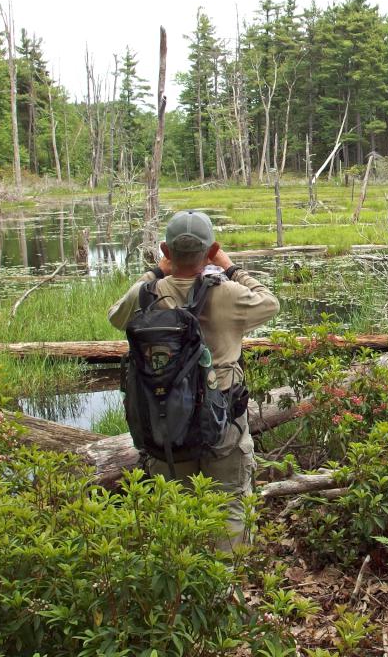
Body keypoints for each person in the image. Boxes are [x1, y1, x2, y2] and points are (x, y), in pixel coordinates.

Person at [108, 210, 279, 550]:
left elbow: (115, 317)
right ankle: (226, 588)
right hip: (223, 416)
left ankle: (184, 588)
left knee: (176, 504)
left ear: (165, 251)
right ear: (211, 249)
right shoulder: (228, 293)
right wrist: (231, 267)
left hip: (165, 418)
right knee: (229, 503)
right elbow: (270, 304)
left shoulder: (146, 294)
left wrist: (157, 271)